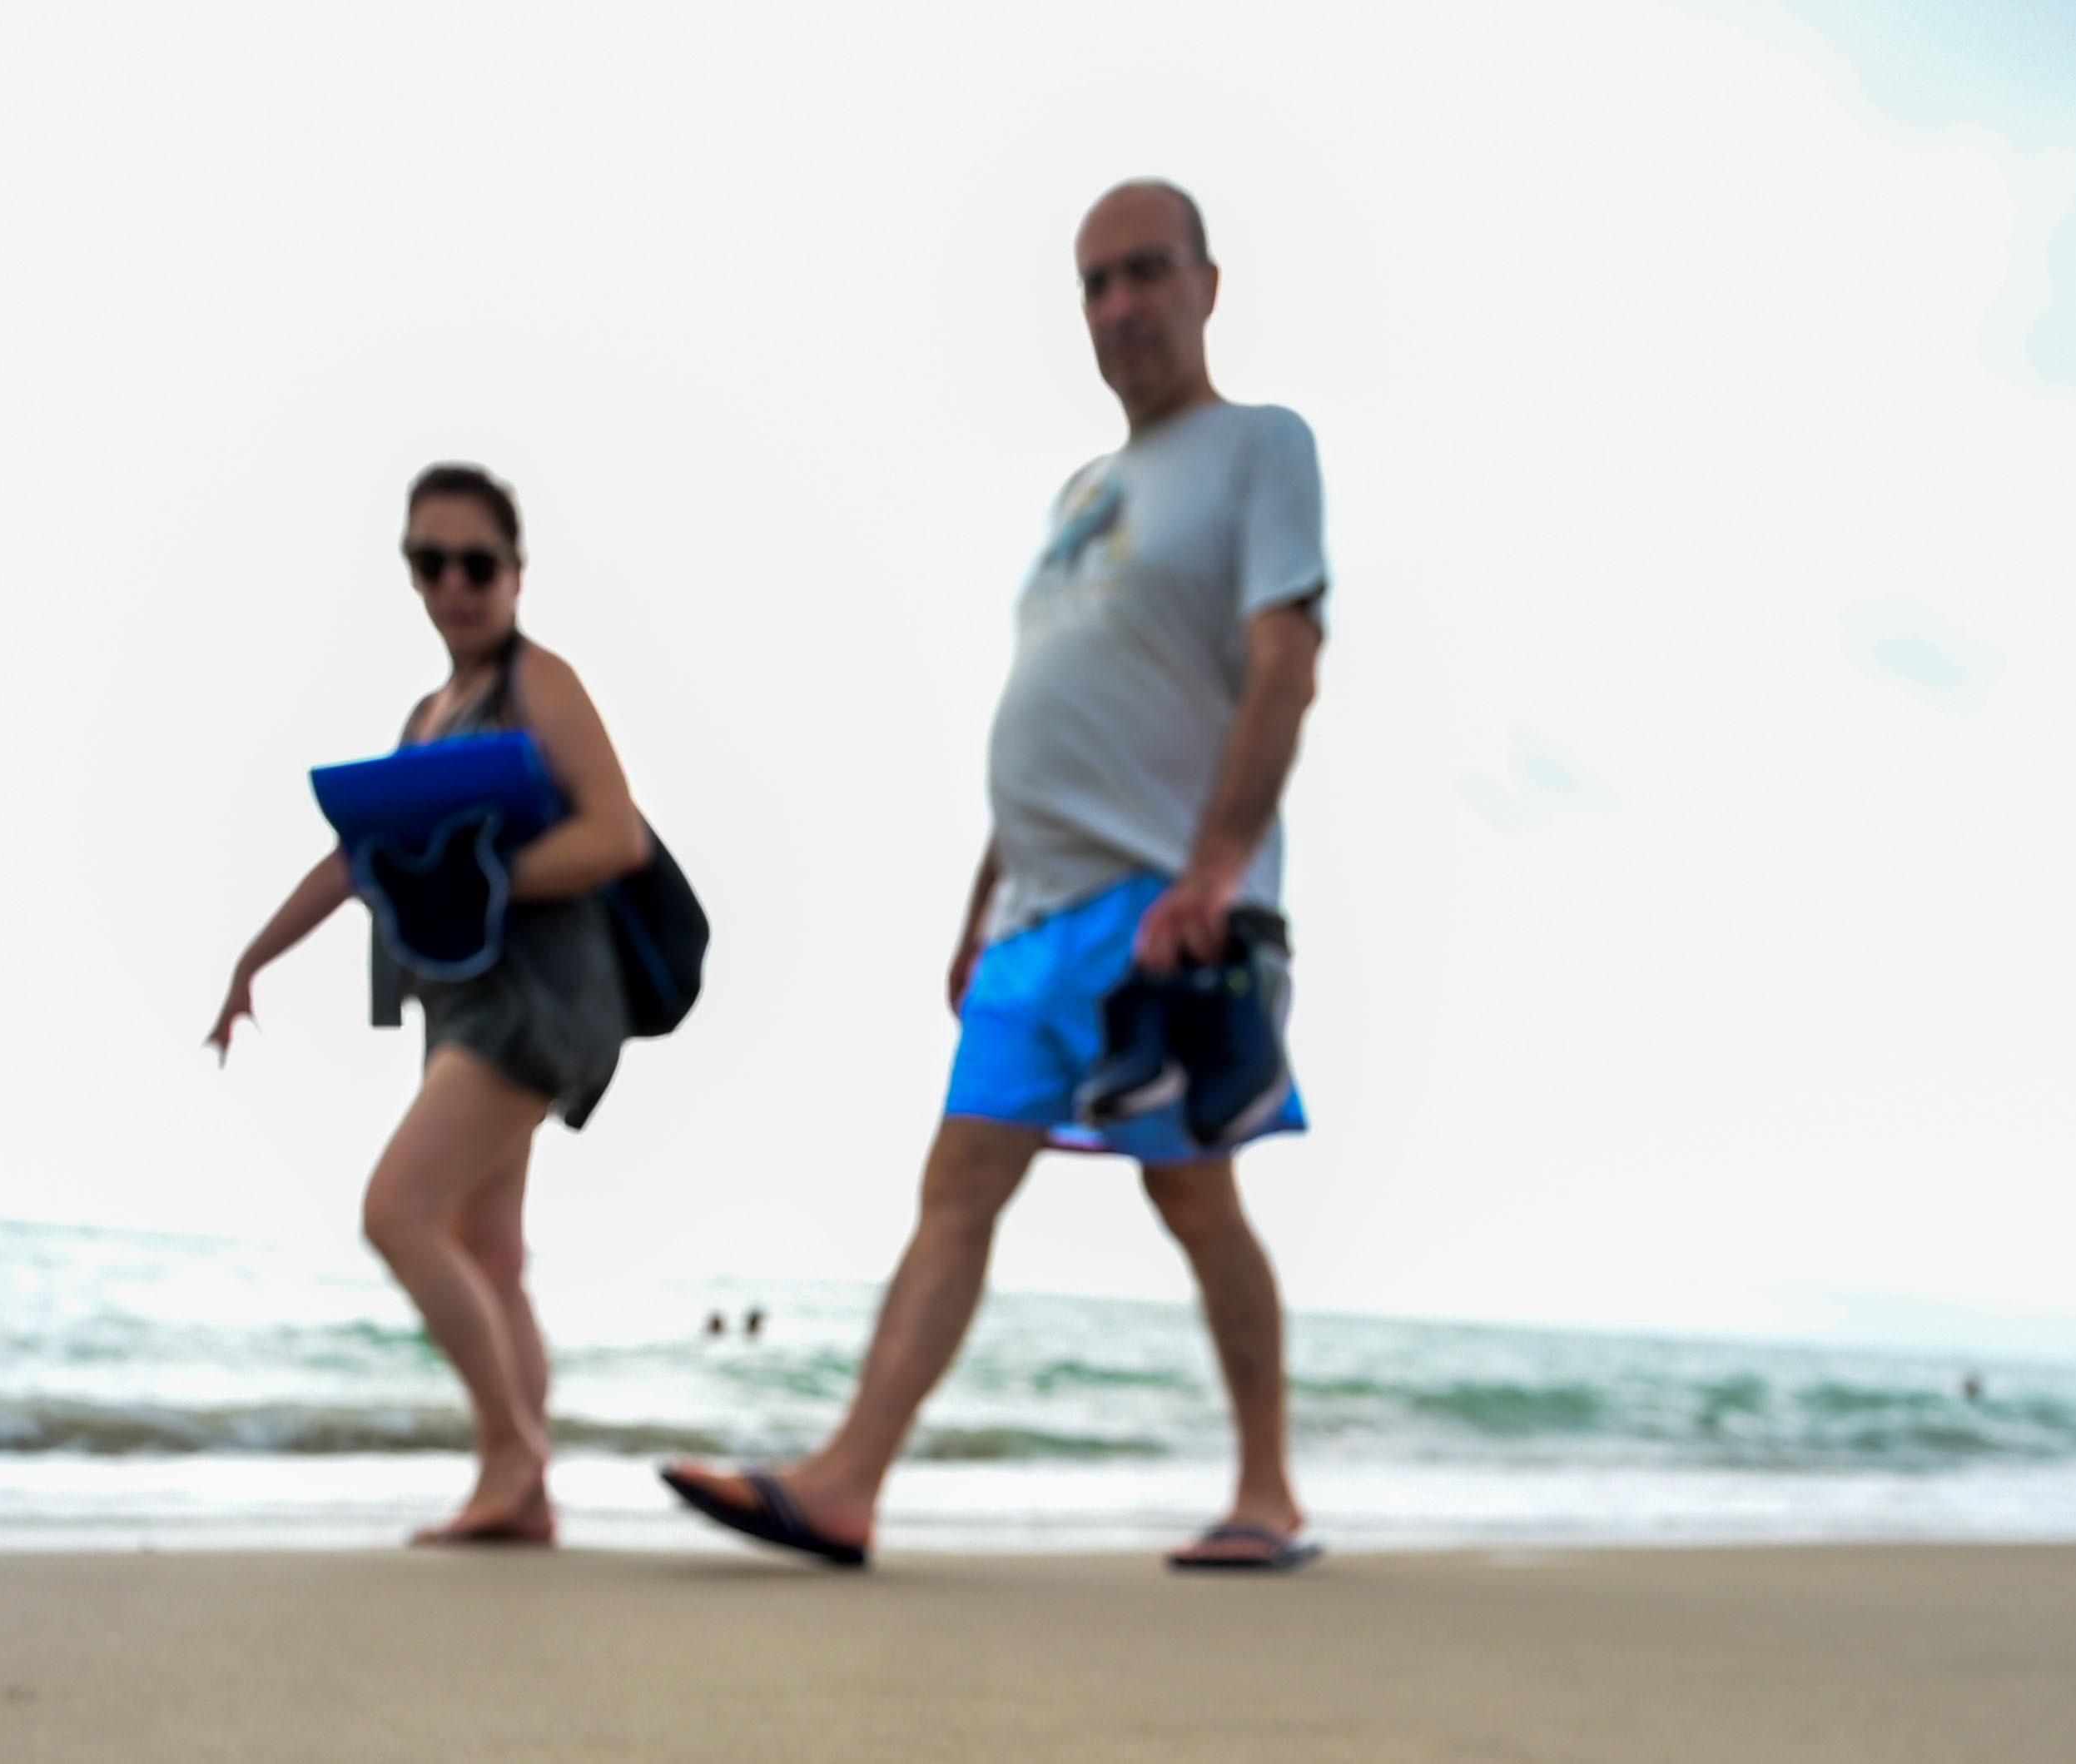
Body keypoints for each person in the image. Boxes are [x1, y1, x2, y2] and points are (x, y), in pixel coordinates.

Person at [662, 179, 1328, 1573]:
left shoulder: (1263, 449)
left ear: (1208, 283)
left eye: (1146, 272)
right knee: (957, 1180)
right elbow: (1051, 712)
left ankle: (1269, 1490)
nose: (1121, 305)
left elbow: (1286, 660)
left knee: (1192, 1191)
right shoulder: (1079, 495)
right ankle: (846, 1482)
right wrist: (980, 904)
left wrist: (1216, 865)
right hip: (1032, 917)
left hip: (1170, 900)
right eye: (1095, 283)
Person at [209, 464, 653, 1546]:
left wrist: (485, 879)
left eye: (477, 562)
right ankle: (524, 1494)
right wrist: (251, 960)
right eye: (430, 561)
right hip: (455, 1002)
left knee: (396, 1210)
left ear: (515, 571)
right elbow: (360, 859)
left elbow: (616, 834)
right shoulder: (427, 715)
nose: (454, 583)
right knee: (487, 1247)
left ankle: (514, 1458)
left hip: (532, 997)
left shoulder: (536, 682)